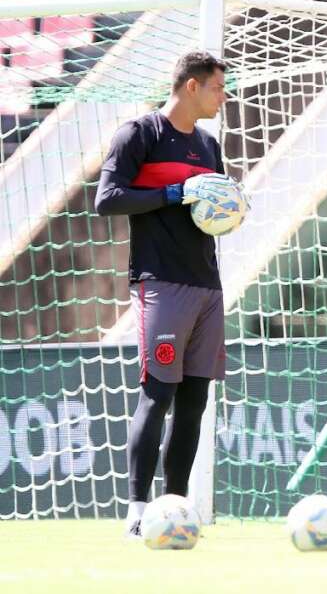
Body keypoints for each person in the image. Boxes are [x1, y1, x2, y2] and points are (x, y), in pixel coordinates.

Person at [95, 51, 233, 537]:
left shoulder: (209, 144)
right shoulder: (140, 134)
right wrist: (171, 195)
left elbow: (210, 207)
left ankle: (174, 507)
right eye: (218, 87)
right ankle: (137, 510)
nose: (224, 96)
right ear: (192, 86)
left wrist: (229, 208)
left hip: (206, 284)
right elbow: (107, 199)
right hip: (160, 283)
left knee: (195, 399)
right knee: (158, 395)